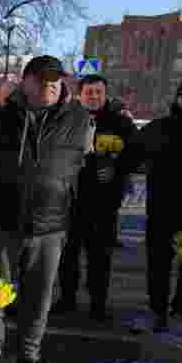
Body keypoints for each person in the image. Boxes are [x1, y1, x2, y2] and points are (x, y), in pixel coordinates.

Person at [0, 56, 93, 363]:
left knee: (38, 299)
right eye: (43, 78)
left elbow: (84, 170)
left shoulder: (79, 120)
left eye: (56, 79)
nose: (51, 84)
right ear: (26, 81)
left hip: (50, 226)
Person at [117, 75, 182, 333]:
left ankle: (181, 311)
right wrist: (120, 167)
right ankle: (157, 310)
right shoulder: (161, 126)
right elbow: (131, 154)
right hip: (161, 211)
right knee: (158, 264)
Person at [53, 75, 136, 322]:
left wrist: (116, 167)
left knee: (100, 256)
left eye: (99, 92)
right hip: (70, 199)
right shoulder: (66, 119)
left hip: (103, 201)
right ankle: (67, 299)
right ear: (80, 95)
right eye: (89, 92)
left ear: (105, 94)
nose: (94, 97)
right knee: (68, 254)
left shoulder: (120, 122)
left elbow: (136, 152)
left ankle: (98, 304)